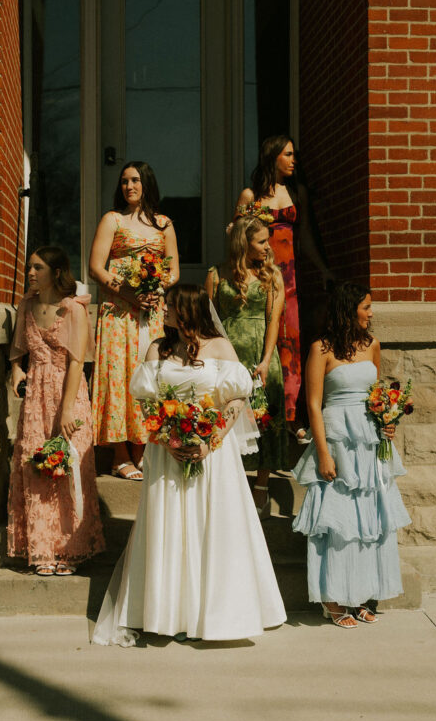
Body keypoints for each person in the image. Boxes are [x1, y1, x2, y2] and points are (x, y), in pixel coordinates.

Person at [92, 284, 286, 645]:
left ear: (187, 310)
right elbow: (146, 402)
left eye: (169, 305)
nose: (163, 310)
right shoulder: (158, 347)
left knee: (211, 525)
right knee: (170, 526)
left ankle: (213, 614)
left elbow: (237, 398)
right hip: (167, 453)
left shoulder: (220, 347)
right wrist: (167, 438)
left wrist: (211, 440)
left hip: (213, 453)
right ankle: (170, 614)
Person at [291, 281, 410, 627]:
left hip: (370, 441)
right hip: (337, 439)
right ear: (349, 310)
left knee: (369, 518)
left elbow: (376, 394)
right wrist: (323, 453)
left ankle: (361, 594)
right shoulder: (321, 349)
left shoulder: (373, 345)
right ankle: (332, 599)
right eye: (366, 307)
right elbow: (313, 405)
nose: (372, 313)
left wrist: (388, 422)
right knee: (338, 520)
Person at [8, 245, 105, 576]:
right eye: (30, 267)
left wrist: (66, 411)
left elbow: (77, 362)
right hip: (36, 396)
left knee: (69, 469)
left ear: (57, 272)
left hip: (69, 394)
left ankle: (69, 549)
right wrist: (17, 370)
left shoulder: (73, 309)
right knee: (36, 467)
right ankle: (43, 549)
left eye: (38, 268)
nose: (31, 273)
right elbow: (19, 347)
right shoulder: (27, 305)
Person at [234, 135, 332, 440]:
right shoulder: (251, 195)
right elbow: (236, 240)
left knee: (291, 344)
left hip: (289, 277)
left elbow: (306, 238)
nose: (293, 160)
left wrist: (323, 269)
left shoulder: (296, 192)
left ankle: (291, 416)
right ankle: (259, 415)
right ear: (272, 156)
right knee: (261, 340)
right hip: (260, 274)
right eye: (288, 154)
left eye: (293, 155)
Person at [89, 161, 180, 480]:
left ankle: (142, 450)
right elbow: (96, 267)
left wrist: (157, 288)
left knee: (149, 375)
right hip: (118, 311)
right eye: (125, 181)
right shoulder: (112, 220)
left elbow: (173, 270)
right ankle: (119, 455)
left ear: (147, 184)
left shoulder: (164, 224)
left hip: (152, 311)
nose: (129, 186)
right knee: (119, 375)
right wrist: (128, 293)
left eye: (136, 180)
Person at [205, 216, 288, 516]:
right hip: (226, 354)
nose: (268, 247)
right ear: (244, 243)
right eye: (261, 241)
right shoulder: (216, 275)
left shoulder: (272, 275)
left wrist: (266, 360)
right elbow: (207, 318)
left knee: (264, 418)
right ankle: (231, 486)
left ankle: (261, 486)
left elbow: (273, 321)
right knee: (228, 418)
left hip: (259, 356)